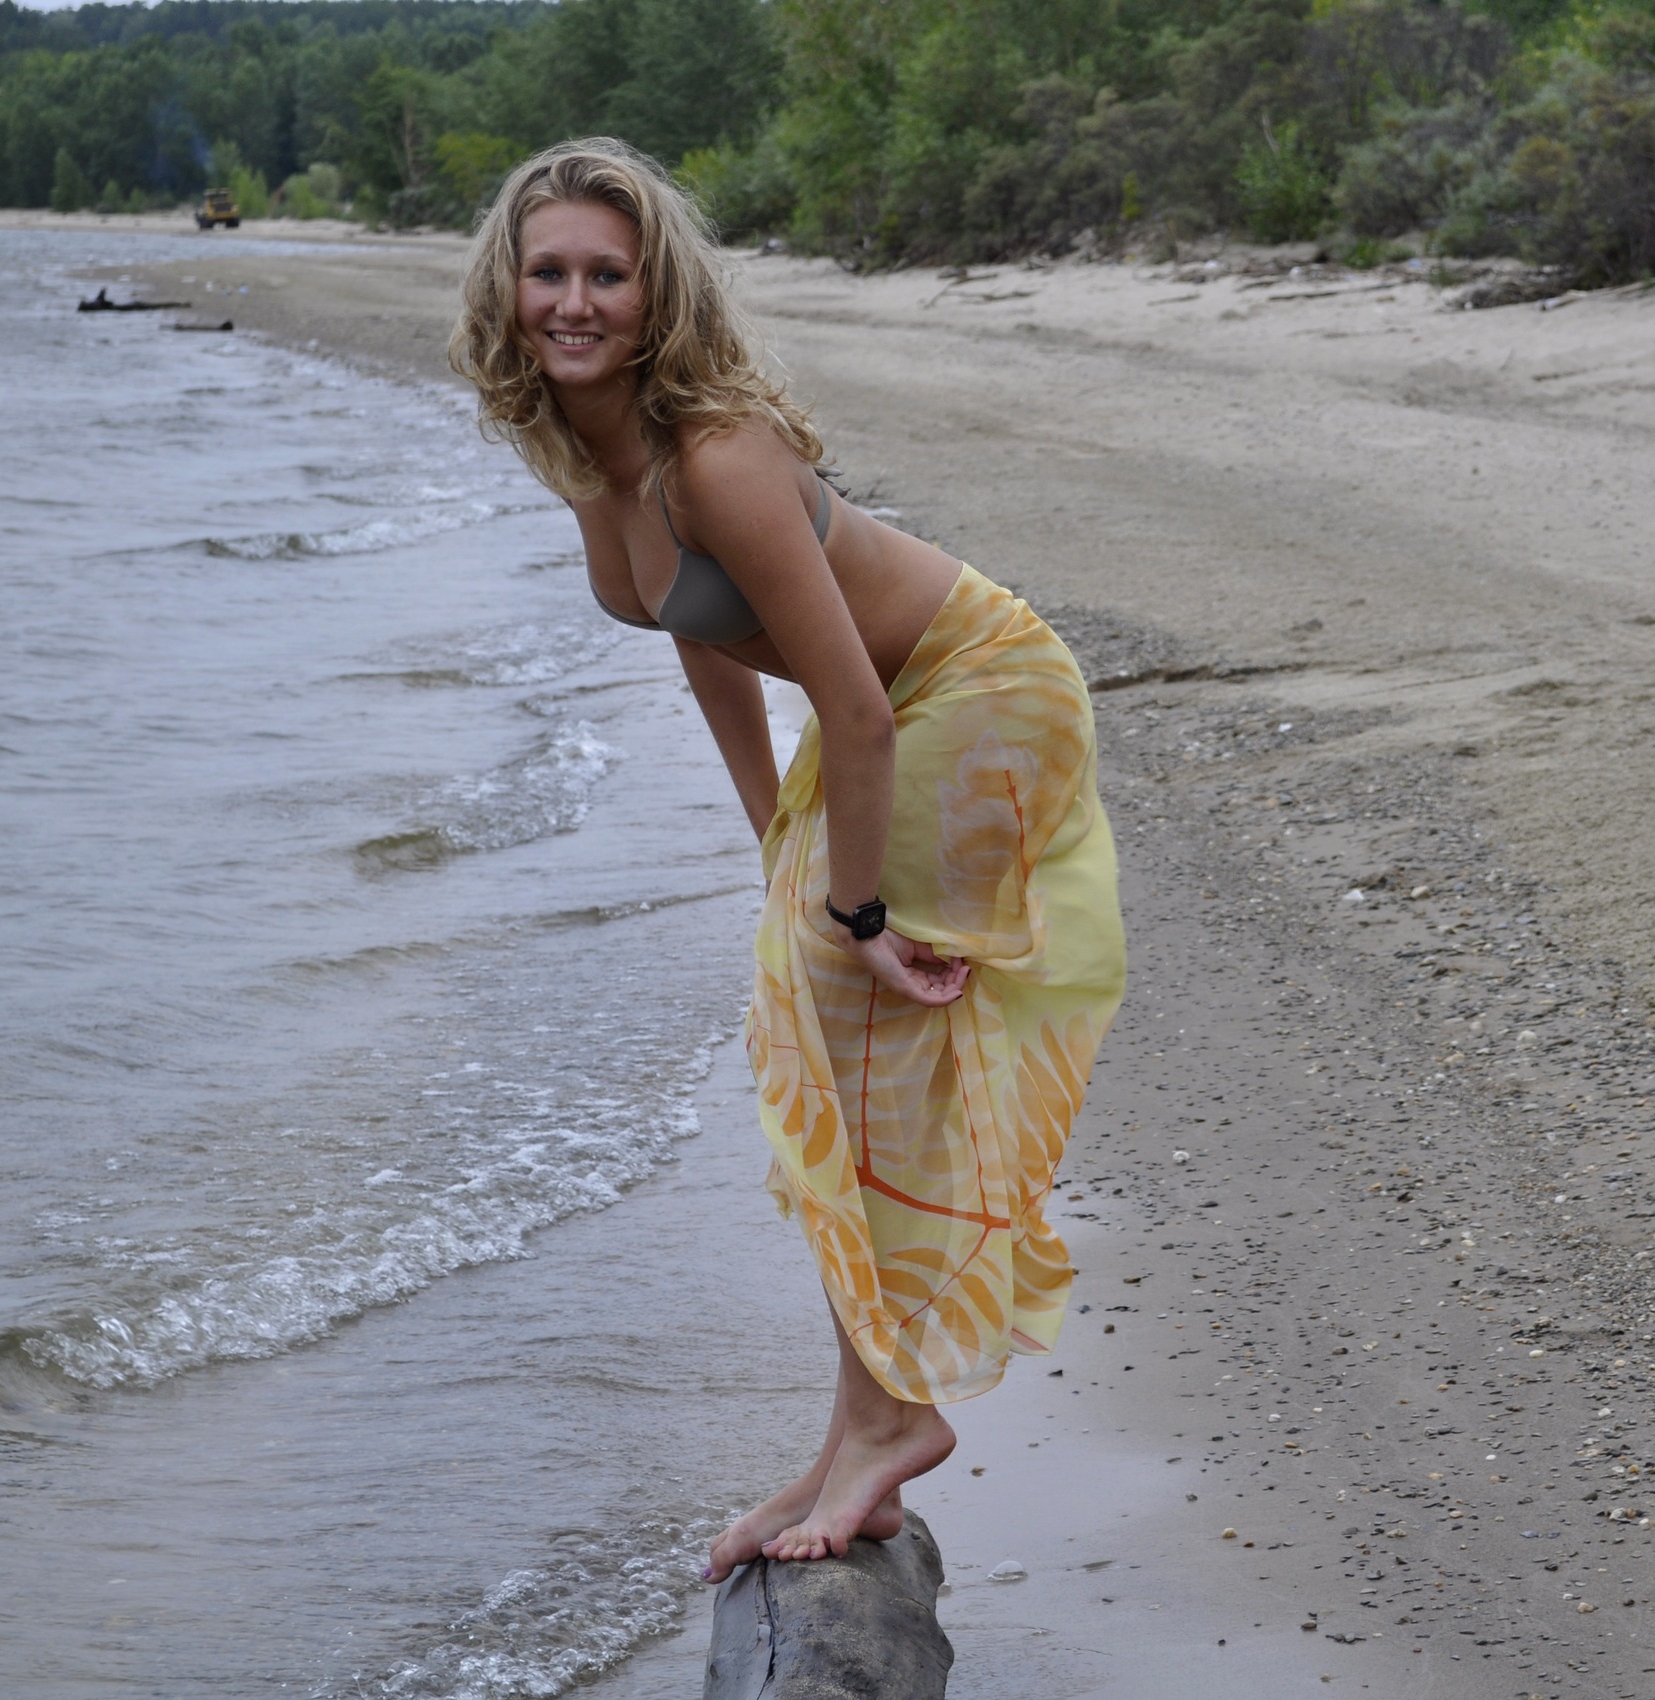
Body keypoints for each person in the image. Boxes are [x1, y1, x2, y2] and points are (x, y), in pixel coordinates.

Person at [449, 139, 1125, 1569]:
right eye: (548, 272)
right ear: (507, 289)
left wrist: (856, 910)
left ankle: (890, 1420)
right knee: (812, 1039)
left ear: (658, 293)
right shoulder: (592, 461)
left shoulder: (717, 456)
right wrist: (780, 850)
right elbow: (702, 643)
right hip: (887, 712)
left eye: (608, 275)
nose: (574, 303)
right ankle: (857, 1429)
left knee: (847, 1027)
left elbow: (859, 706)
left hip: (974, 690)